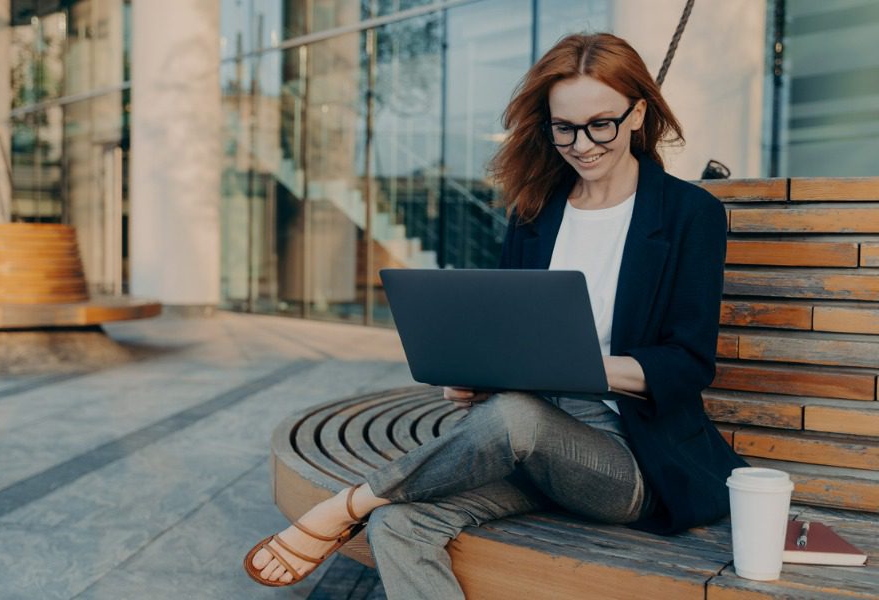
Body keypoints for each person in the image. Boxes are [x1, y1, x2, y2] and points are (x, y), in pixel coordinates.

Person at [244, 32, 747, 598]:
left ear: (638, 113)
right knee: (400, 525)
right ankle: (375, 507)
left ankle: (348, 504)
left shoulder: (688, 214)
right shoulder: (535, 212)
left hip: (627, 457)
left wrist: (577, 368)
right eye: (564, 128)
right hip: (523, 441)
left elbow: (688, 364)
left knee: (513, 418)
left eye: (600, 123)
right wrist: (479, 376)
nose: (582, 144)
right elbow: (513, 332)